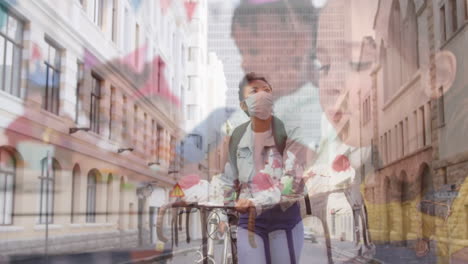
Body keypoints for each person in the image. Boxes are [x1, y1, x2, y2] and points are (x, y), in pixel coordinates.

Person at [221, 72, 307, 264]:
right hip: (249, 221)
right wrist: (224, 209)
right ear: (244, 105)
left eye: (267, 91)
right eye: (254, 91)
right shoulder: (237, 137)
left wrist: (254, 201)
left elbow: (291, 183)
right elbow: (228, 179)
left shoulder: (291, 128)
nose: (262, 95)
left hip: (285, 219)